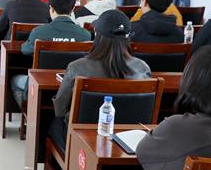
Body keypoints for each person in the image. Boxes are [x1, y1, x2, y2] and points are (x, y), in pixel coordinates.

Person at [51, 10, 151, 157]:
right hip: (129, 139)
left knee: (53, 124)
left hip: (83, 138)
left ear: (97, 34)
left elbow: (60, 109)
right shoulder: (143, 68)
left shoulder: (77, 67)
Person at [11, 0, 91, 107]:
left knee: (15, 80)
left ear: (51, 8)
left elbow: (25, 50)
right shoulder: (85, 35)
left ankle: (28, 111)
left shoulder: (39, 32)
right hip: (71, 91)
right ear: (73, 9)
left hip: (41, 89)